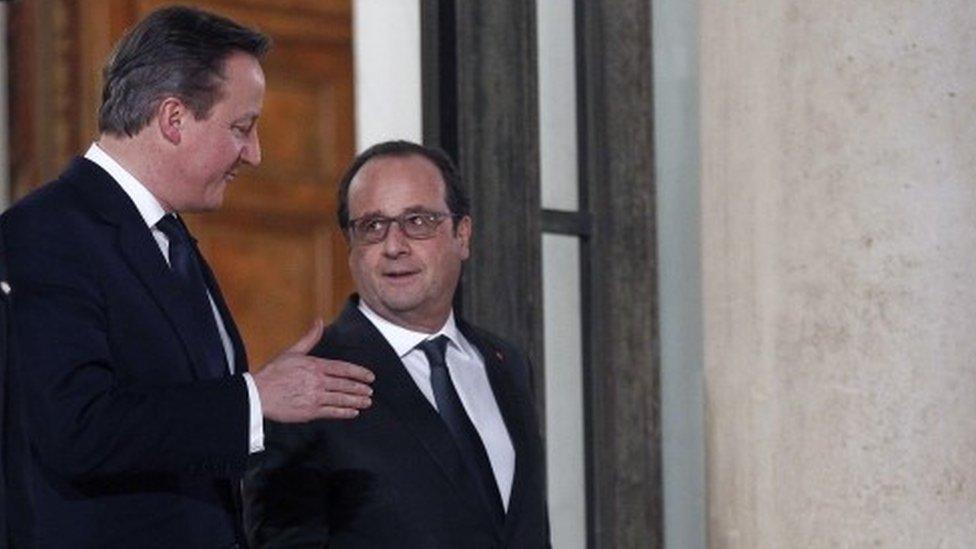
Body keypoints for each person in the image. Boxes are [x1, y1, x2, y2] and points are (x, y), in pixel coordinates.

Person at [0, 6, 374, 548]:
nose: (255, 153)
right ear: (173, 119)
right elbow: (76, 426)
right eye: (242, 128)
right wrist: (252, 399)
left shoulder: (169, 238)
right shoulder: (46, 232)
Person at [244, 141, 551, 548]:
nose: (394, 246)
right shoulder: (308, 383)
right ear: (351, 248)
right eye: (372, 227)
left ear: (462, 234)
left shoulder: (506, 363)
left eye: (418, 221)